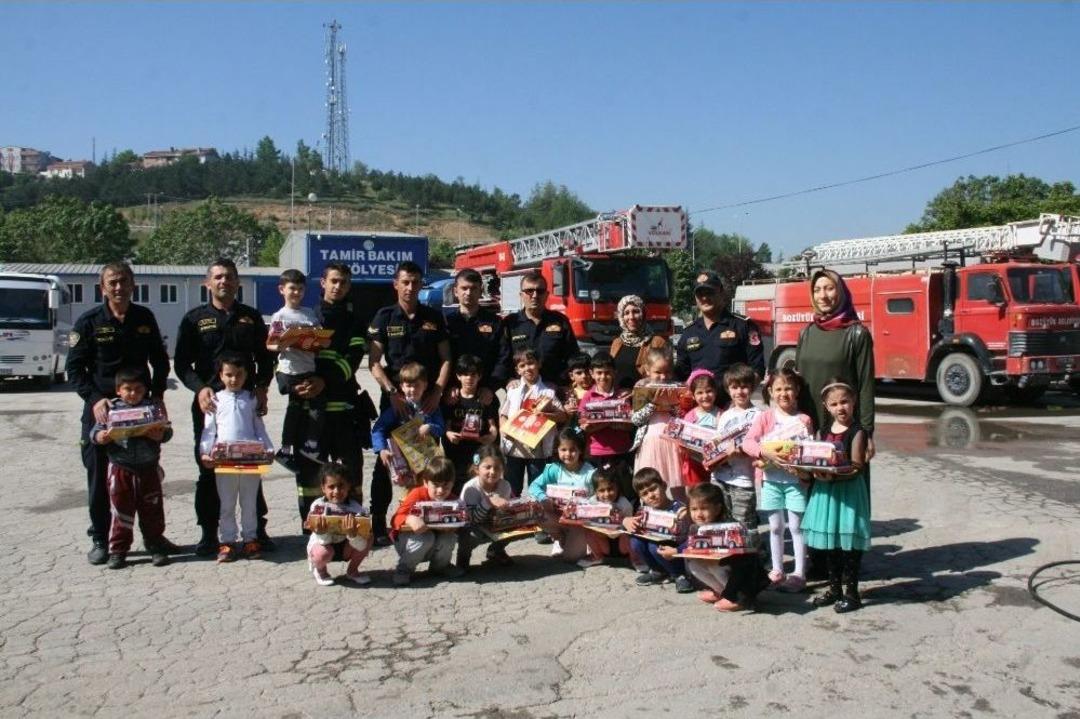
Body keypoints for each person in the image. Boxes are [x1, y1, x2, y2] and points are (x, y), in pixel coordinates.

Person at [66, 261, 170, 565]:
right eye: (112, 282)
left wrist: (158, 395)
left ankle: (154, 539)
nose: (118, 287)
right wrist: (94, 398)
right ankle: (101, 539)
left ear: (133, 285)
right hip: (103, 411)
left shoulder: (144, 318)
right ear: (103, 288)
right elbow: (74, 369)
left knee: (146, 477)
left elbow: (161, 361)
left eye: (124, 281)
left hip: (140, 411)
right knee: (100, 478)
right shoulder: (88, 322)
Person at [174, 258, 274, 555]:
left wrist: (262, 387)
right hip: (211, 404)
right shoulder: (194, 319)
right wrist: (200, 388)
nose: (224, 282)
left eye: (229, 277)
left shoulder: (251, 318)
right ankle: (209, 533)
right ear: (208, 283)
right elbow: (181, 364)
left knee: (251, 469)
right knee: (209, 471)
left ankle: (257, 532)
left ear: (237, 283)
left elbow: (265, 357)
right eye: (218, 277)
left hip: (246, 404)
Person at [794, 268, 876, 580]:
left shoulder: (857, 333)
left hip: (845, 432)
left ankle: (848, 566)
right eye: (818, 290)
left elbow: (866, 386)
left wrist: (866, 433)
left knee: (847, 498)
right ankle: (819, 561)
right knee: (816, 497)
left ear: (840, 292)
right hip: (813, 432)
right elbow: (799, 383)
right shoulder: (807, 333)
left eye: (829, 289)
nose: (823, 296)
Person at [369, 261, 452, 544]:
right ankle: (379, 522)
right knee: (387, 464)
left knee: (427, 464)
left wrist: (437, 392)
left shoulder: (433, 317)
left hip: (427, 398)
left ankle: (429, 516)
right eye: (405, 282)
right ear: (396, 284)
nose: (410, 287)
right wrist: (392, 391)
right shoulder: (384, 317)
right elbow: (374, 363)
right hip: (395, 398)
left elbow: (446, 359)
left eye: (415, 282)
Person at [291, 263, 373, 525]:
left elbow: (350, 361)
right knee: (309, 474)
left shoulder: (356, 321)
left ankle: (355, 527)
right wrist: (292, 385)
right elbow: (288, 360)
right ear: (323, 282)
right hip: (308, 410)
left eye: (344, 282)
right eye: (334, 281)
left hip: (344, 412)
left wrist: (323, 381)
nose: (338, 287)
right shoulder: (304, 316)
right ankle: (314, 528)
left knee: (351, 473)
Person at [89, 367, 173, 569]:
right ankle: (118, 551)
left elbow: (167, 431)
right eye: (128, 389)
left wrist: (160, 435)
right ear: (118, 390)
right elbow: (95, 434)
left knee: (152, 510)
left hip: (148, 467)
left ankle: (155, 546)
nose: (133, 394)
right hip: (121, 468)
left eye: (138, 389)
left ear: (145, 390)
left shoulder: (152, 407)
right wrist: (103, 437)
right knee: (121, 511)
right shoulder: (111, 409)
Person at [742, 368, 814, 592]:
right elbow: (748, 442)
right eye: (779, 389)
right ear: (770, 392)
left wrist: (801, 466)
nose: (784, 393)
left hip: (795, 483)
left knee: (797, 527)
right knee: (774, 526)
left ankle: (800, 573)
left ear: (797, 390)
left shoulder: (804, 419)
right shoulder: (765, 417)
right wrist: (765, 454)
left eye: (789, 388)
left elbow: (810, 450)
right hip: (770, 481)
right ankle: (777, 569)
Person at [198, 353, 275, 563]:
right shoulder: (215, 400)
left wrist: (268, 449)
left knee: (250, 502)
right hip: (224, 460)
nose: (234, 379)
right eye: (229, 375)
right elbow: (208, 430)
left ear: (246, 375)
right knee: (227, 502)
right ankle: (227, 542)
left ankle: (250, 540)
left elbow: (259, 427)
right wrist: (205, 452)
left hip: (251, 460)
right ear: (221, 376)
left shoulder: (251, 399)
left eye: (238, 375)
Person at [802, 380, 871, 613]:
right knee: (831, 542)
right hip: (826, 492)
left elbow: (857, 466)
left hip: (848, 491)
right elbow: (815, 457)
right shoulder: (822, 431)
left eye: (845, 402)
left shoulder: (858, 432)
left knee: (848, 542)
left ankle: (852, 594)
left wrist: (833, 476)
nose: (840, 407)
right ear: (826, 406)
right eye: (834, 404)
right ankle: (834, 589)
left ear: (853, 402)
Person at [664, 483, 770, 612]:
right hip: (726, 568)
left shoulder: (729, 526)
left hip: (746, 574)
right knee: (694, 565)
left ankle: (739, 598)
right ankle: (722, 592)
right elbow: (690, 543)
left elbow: (744, 559)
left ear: (717, 508)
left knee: (716, 565)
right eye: (694, 509)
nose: (698, 514)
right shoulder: (697, 527)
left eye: (704, 508)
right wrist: (676, 548)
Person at [674, 271, 765, 399]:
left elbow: (757, 370)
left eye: (709, 292)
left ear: (721, 292)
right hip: (700, 409)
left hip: (733, 407)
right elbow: (681, 375)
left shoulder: (743, 326)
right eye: (700, 294)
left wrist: (739, 400)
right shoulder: (689, 332)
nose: (704, 298)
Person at [266, 268, 324, 469]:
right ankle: (286, 449)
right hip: (290, 370)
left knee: (316, 409)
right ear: (282, 289)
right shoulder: (279, 316)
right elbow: (270, 344)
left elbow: (320, 340)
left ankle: (312, 445)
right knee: (295, 408)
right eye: (292, 288)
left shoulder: (310, 314)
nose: (296, 293)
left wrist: (317, 340)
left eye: (300, 288)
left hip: (309, 368)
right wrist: (285, 342)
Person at [500, 348, 568, 496]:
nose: (527, 368)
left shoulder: (548, 392)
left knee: (537, 489)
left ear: (539, 364)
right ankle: (512, 517)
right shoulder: (513, 390)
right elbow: (503, 414)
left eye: (531, 363)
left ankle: (536, 518)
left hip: (538, 450)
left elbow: (562, 416)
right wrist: (505, 431)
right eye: (522, 366)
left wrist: (545, 415)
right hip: (515, 448)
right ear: (517, 370)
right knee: (511, 489)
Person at [389, 457, 463, 586]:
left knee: (449, 538)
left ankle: (440, 567)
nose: (440, 490)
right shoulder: (417, 494)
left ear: (453, 483)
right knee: (425, 537)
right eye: (436, 485)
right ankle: (404, 569)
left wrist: (454, 526)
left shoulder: (453, 500)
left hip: (435, 541)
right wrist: (409, 519)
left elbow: (462, 520)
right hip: (409, 541)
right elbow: (395, 519)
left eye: (446, 485)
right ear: (425, 482)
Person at [527, 428, 596, 560]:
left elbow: (597, 497)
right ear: (557, 450)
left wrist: (585, 503)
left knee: (571, 558)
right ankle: (559, 538)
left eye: (573, 450)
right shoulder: (554, 469)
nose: (568, 454)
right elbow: (534, 486)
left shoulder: (589, 472)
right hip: (559, 517)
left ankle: (583, 540)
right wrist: (544, 498)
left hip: (579, 522)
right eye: (563, 450)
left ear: (580, 450)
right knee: (535, 511)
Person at [502, 270, 580, 386]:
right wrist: (508, 379)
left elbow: (572, 356)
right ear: (521, 295)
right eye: (529, 291)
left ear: (547, 294)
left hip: (554, 387)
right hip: (521, 389)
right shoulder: (510, 323)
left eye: (540, 291)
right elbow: (502, 357)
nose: (535, 296)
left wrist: (562, 383)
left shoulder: (560, 321)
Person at [711, 363, 763, 535]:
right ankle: (732, 558)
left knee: (744, 523)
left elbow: (760, 446)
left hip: (743, 480)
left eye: (744, 387)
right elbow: (717, 443)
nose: (739, 392)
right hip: (719, 477)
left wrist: (744, 451)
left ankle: (754, 557)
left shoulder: (759, 415)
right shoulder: (725, 415)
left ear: (752, 387)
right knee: (723, 521)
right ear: (727, 389)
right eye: (734, 387)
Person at [372, 362, 446, 481]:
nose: (412, 389)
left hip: (427, 459)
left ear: (425, 386)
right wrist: (381, 449)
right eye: (408, 385)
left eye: (417, 385)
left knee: (427, 489)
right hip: (404, 461)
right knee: (407, 495)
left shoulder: (431, 406)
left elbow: (441, 428)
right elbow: (378, 429)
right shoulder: (398, 408)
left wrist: (430, 427)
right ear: (401, 386)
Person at [622, 467, 692, 592]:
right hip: (657, 545)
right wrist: (628, 522)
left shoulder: (679, 508)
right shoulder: (645, 511)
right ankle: (658, 571)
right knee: (635, 541)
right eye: (645, 494)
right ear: (641, 498)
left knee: (654, 547)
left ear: (664, 486)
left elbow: (688, 536)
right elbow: (634, 526)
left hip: (675, 549)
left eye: (653, 489)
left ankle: (679, 575)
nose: (651, 496)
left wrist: (682, 521)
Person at [443, 268, 511, 392]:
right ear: (455, 291)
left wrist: (490, 387)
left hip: (485, 392)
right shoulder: (446, 323)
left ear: (481, 291)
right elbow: (441, 358)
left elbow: (503, 357)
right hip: (453, 394)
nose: (468, 293)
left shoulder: (495, 322)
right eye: (464, 288)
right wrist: (448, 386)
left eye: (473, 288)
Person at [306, 463, 371, 587]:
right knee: (323, 553)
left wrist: (353, 535)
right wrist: (322, 531)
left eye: (341, 486)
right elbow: (323, 541)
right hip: (324, 545)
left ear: (348, 487)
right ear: (323, 488)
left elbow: (362, 547)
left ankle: (352, 571)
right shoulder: (318, 506)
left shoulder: (356, 508)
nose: (336, 491)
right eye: (331, 487)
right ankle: (320, 570)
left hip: (345, 546)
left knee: (369, 536)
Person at [442, 354, 500, 492]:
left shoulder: (485, 399)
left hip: (478, 451)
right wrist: (449, 433)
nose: (469, 378)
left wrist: (491, 437)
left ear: (479, 376)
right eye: (465, 374)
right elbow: (446, 425)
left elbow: (492, 426)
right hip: (456, 451)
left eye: (473, 374)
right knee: (456, 486)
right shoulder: (452, 400)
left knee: (479, 486)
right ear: (458, 376)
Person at [631, 347, 683, 500]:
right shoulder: (641, 387)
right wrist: (653, 404)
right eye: (658, 372)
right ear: (647, 370)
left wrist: (673, 405)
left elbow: (684, 416)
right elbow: (636, 419)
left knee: (676, 489)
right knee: (651, 486)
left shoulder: (677, 386)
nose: (663, 376)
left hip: (673, 444)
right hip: (650, 444)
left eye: (667, 372)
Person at [456, 445, 514, 570]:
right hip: (472, 526)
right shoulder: (471, 488)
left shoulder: (505, 485)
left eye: (497, 468)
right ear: (477, 469)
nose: (492, 472)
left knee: (515, 527)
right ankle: (462, 559)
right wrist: (488, 502)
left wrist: (507, 510)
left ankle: (495, 551)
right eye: (487, 467)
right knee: (470, 536)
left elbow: (504, 514)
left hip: (493, 523)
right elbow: (472, 519)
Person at [578, 353, 634, 474]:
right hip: (597, 451)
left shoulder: (622, 396)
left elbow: (629, 426)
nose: (603, 376)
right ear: (592, 373)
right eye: (599, 373)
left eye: (607, 372)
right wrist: (611, 420)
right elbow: (584, 426)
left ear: (614, 372)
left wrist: (599, 422)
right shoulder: (588, 396)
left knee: (623, 488)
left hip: (621, 450)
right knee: (601, 490)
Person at [676, 369, 723, 499]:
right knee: (696, 494)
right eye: (700, 393)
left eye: (709, 391)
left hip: (715, 464)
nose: (705, 396)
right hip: (694, 463)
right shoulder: (690, 415)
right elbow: (682, 441)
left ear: (715, 391)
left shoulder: (721, 414)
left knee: (713, 495)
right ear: (693, 395)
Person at [575, 468, 634, 569]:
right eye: (602, 490)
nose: (607, 494)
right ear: (596, 492)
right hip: (603, 544)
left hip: (621, 546)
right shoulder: (592, 502)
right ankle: (597, 556)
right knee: (587, 529)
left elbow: (630, 527)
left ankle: (635, 559)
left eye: (610, 489)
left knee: (630, 535)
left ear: (617, 488)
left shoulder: (624, 504)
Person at [608, 294, 669, 390]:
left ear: (643, 314)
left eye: (636, 311)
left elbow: (665, 376)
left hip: (646, 399)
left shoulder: (657, 342)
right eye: (626, 313)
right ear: (621, 317)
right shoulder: (617, 343)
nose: (631, 317)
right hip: (619, 400)